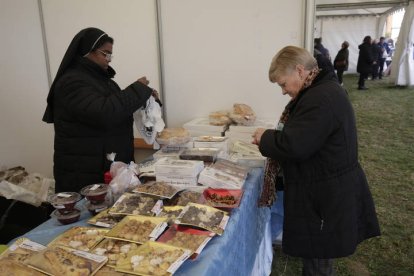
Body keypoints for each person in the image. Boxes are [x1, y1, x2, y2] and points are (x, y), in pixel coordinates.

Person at [252, 46, 380, 276]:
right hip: (326, 186)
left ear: (300, 71)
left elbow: (295, 145)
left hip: (326, 194)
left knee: (319, 255)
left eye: (283, 84)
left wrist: (266, 137)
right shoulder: (320, 90)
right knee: (317, 253)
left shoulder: (320, 98)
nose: (283, 91)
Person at [42, 27, 158, 193]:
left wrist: (145, 100)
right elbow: (104, 113)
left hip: (105, 168)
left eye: (110, 54)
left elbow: (118, 109)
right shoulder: (71, 82)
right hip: (85, 175)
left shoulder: (103, 81)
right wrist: (137, 90)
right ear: (86, 52)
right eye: (105, 53)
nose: (109, 59)